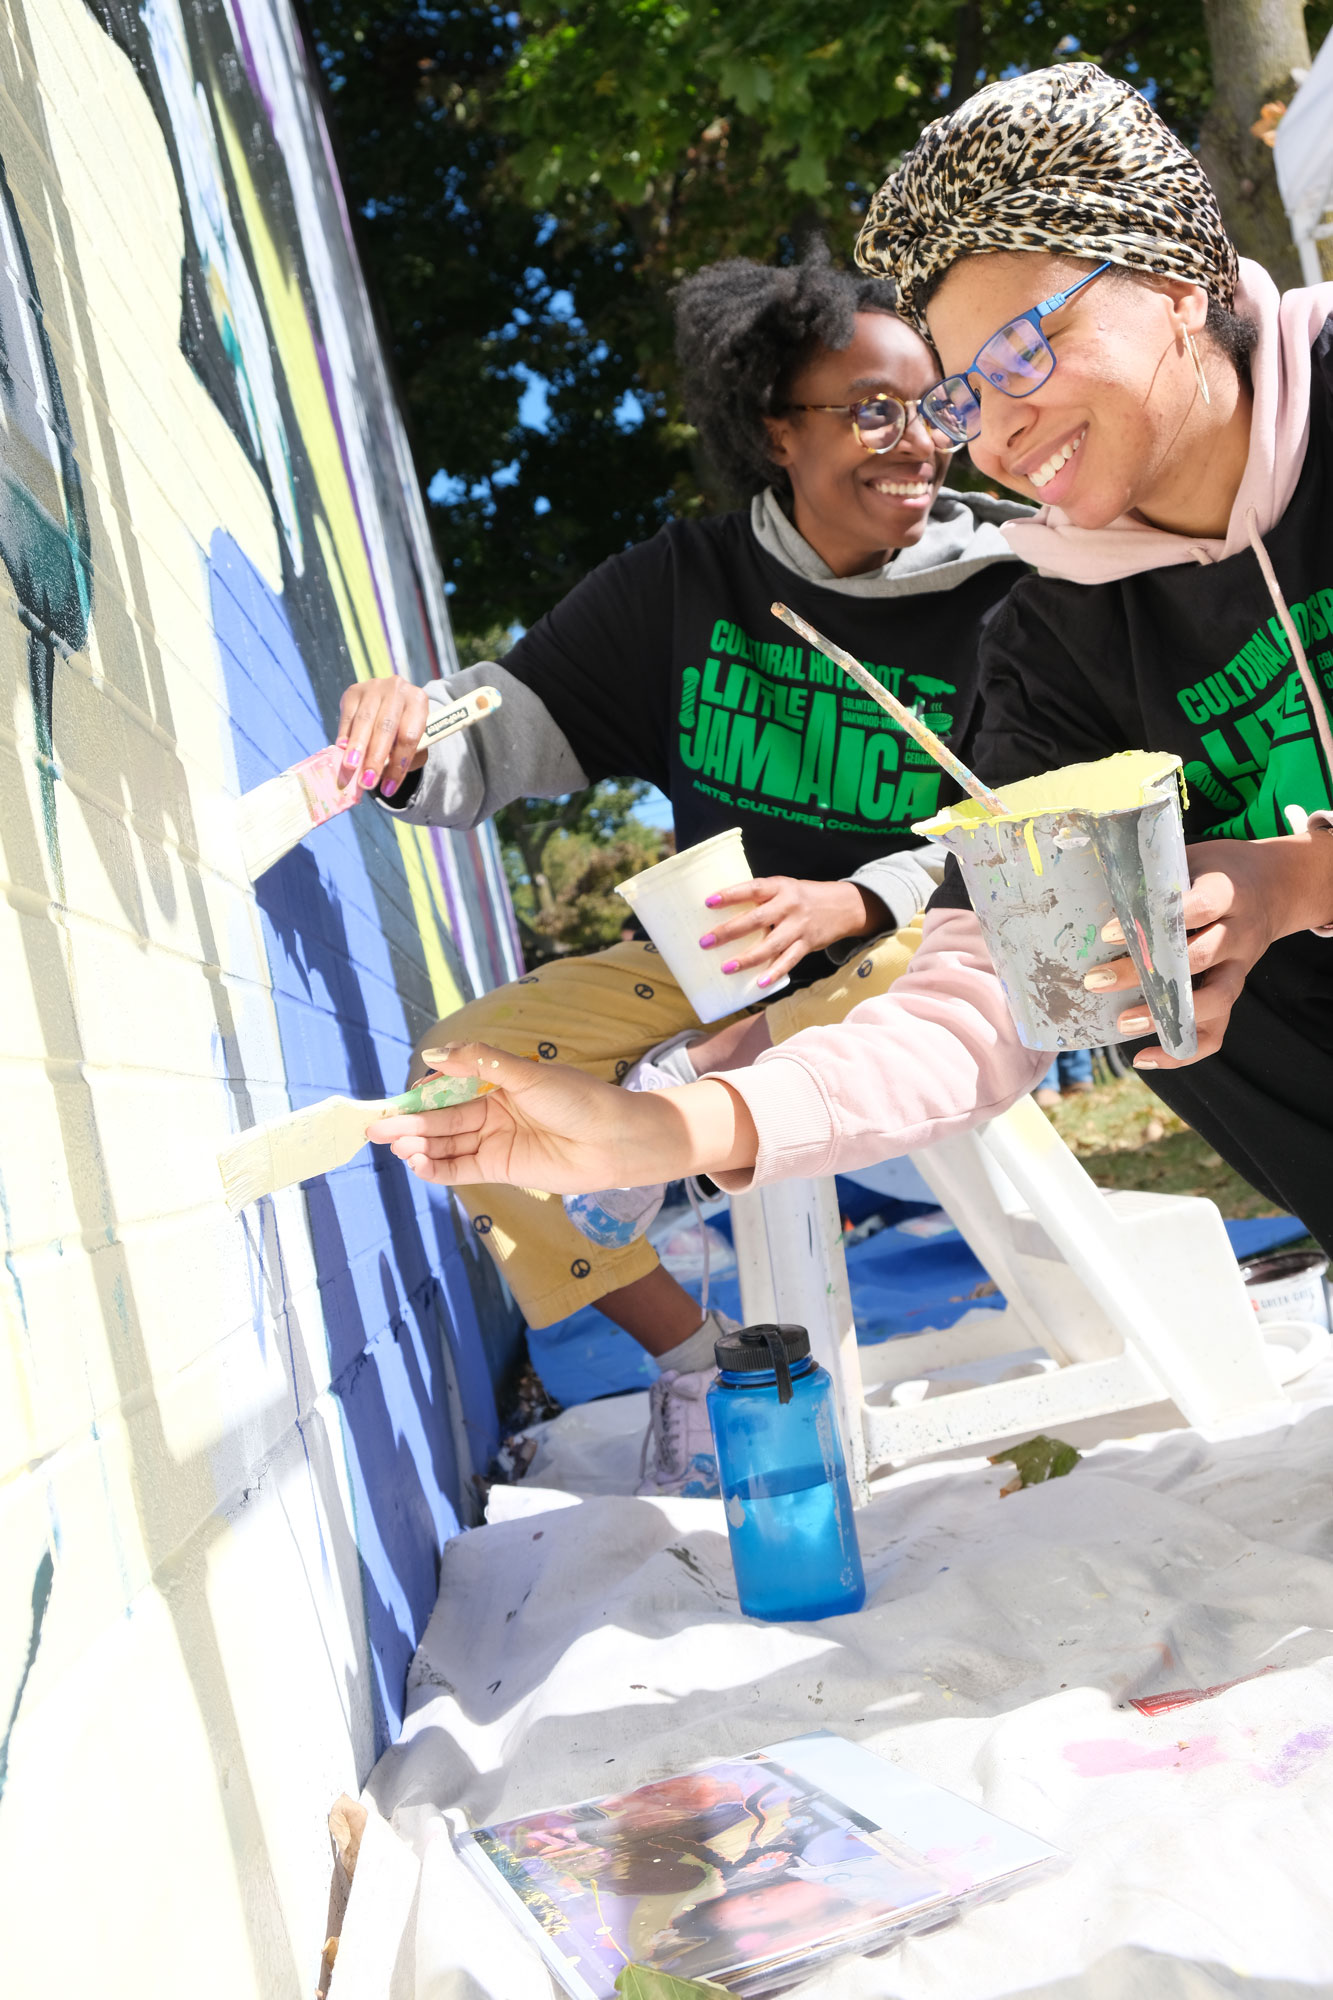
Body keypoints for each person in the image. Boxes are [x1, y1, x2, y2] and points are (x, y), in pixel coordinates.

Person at [365, 64, 1333, 1278]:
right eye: (969, 392)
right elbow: (983, 992)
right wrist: (668, 1127)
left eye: (1026, 346)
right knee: (1122, 959)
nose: (992, 432)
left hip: (867, 945)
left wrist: (1301, 877)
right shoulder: (1045, 644)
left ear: (1172, 280)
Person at [340, 244, 1028, 1492]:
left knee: (838, 975)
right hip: (705, 973)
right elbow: (506, 720)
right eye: (872, 409)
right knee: (454, 1084)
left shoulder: (1011, 588)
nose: (918, 440)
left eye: (937, 408)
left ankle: (661, 1113)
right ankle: (701, 1357)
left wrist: (860, 893)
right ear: (776, 432)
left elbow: (1028, 823)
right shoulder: (683, 584)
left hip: (915, 960)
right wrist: (400, 732)